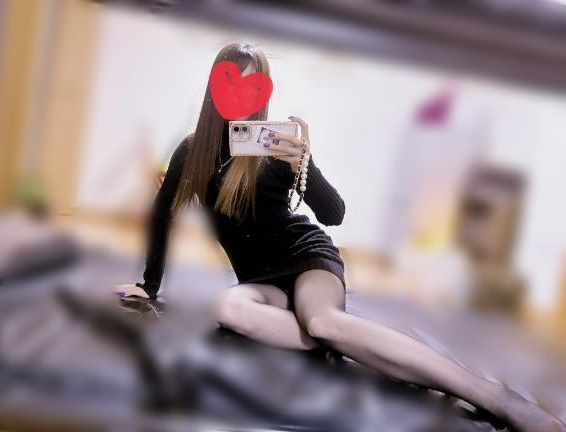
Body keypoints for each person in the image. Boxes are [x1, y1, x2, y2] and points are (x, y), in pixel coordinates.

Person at [117, 43, 565, 432]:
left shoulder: (275, 148)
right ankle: (336, 344)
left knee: (323, 322)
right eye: (233, 83)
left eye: (253, 86)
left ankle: (494, 397)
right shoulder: (191, 152)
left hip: (306, 258)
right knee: (228, 307)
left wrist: (304, 165)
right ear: (215, 88)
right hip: (259, 280)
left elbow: (334, 214)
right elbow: (162, 216)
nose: (240, 97)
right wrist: (148, 285)